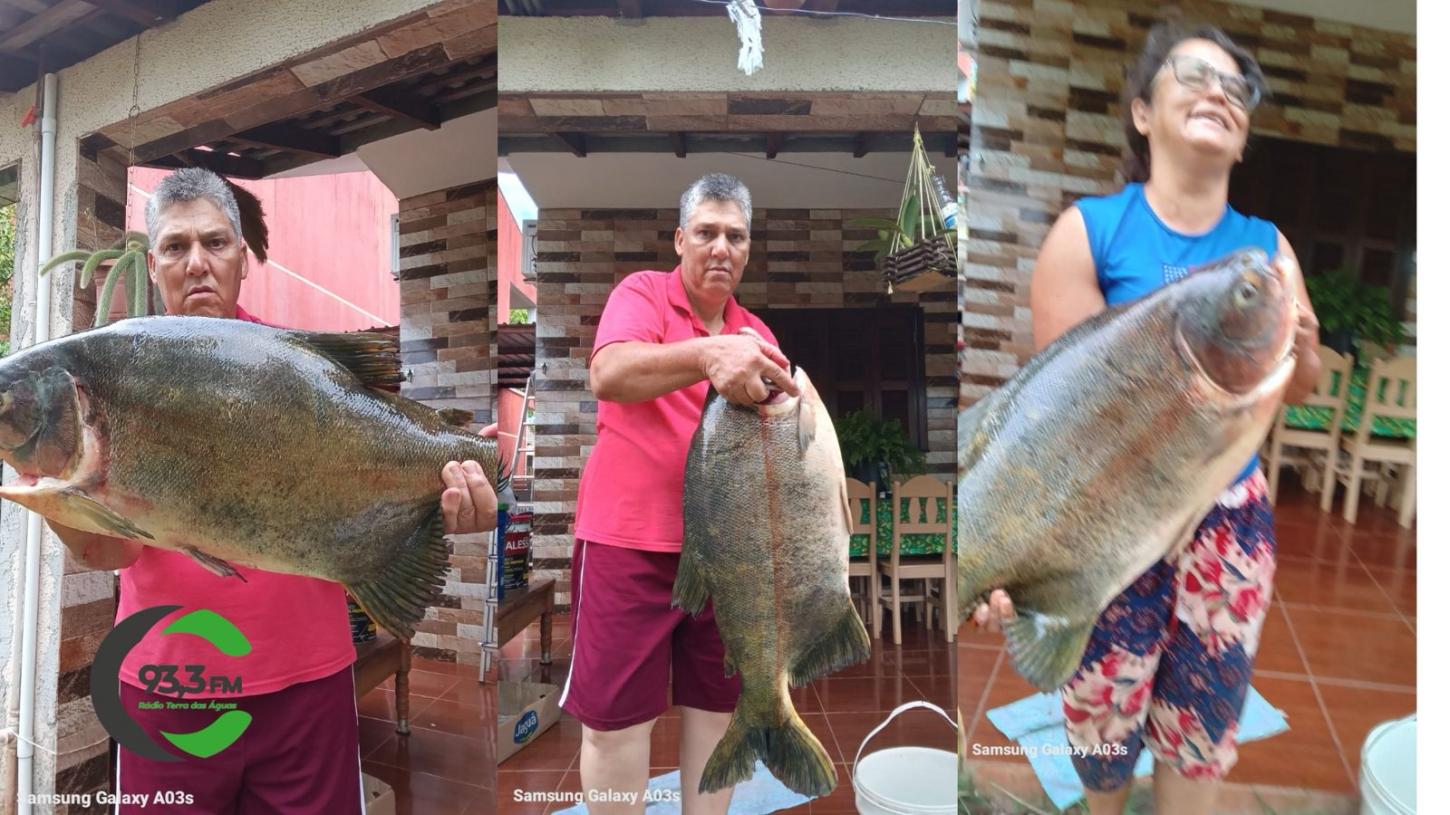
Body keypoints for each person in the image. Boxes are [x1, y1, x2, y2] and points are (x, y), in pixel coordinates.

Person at [51, 167, 498, 814]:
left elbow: (382, 477)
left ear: (243, 256)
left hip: (307, 686)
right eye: (176, 246)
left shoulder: (302, 366)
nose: (197, 262)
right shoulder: (115, 375)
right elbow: (105, 553)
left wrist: (443, 504)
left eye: (215, 242)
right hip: (168, 687)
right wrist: (55, 486)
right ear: (153, 265)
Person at [970, 22, 1322, 815]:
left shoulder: (1267, 249)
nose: (1218, 93)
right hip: (1105, 519)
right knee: (1102, 725)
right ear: (1141, 112)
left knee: (1200, 729)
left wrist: (1304, 350)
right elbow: (1052, 428)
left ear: (1244, 136)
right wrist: (1014, 556)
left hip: (1226, 525)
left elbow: (1300, 383)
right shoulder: (1089, 232)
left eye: (1235, 88)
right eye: (1194, 75)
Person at [560, 173, 799, 815]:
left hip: (726, 557)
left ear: (748, 249)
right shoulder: (641, 294)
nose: (721, 247)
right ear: (679, 240)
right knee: (615, 725)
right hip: (627, 543)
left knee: (717, 716)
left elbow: (781, 437)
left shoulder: (758, 333)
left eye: (736, 236)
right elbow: (608, 372)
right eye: (707, 232)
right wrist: (709, 355)